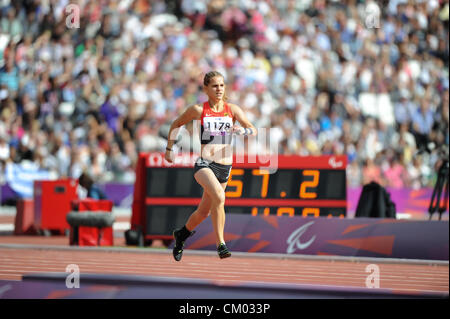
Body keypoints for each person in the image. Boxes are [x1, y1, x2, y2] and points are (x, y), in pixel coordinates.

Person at [165, 70, 257, 261]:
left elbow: (253, 129)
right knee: (219, 197)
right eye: (215, 86)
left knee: (203, 212)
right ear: (206, 88)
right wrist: (169, 149)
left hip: (225, 167)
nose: (219, 89)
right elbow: (176, 124)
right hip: (205, 164)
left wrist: (242, 130)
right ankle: (221, 244)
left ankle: (181, 234)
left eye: (222, 85)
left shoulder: (232, 110)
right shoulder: (198, 110)